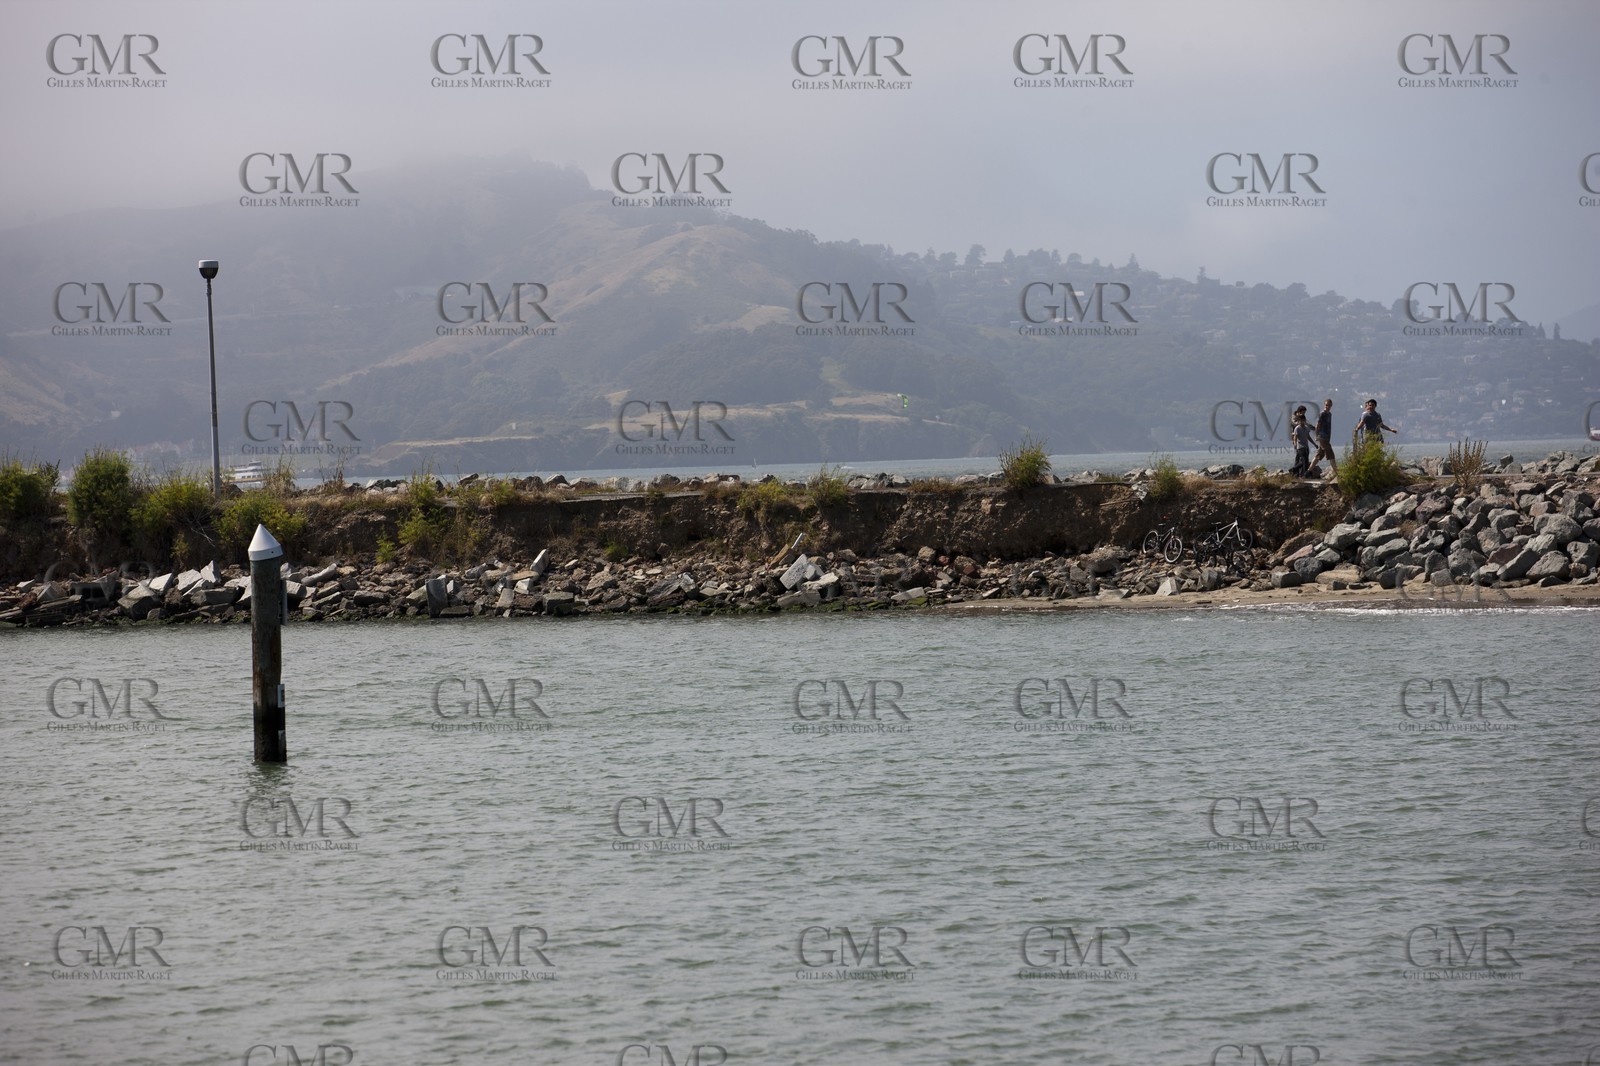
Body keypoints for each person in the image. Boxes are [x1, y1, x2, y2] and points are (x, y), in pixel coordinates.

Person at [1311, 398, 1338, 477]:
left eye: (1329, 405)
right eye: (1326, 405)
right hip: (1322, 437)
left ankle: (1308, 472)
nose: (1327, 406)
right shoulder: (1322, 413)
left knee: (1319, 455)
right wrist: (1317, 436)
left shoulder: (1329, 414)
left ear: (1331, 406)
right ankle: (1338, 473)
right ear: (1324, 405)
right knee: (1331, 454)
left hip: (1327, 438)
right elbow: (1317, 425)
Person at [1289, 406, 1313, 478]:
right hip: (1295, 438)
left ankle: (1299, 472)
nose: (1303, 414)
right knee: (1299, 457)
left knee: (1302, 458)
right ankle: (1297, 472)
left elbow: (1306, 424)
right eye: (1302, 412)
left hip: (1302, 439)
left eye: (1304, 413)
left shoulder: (1302, 417)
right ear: (1299, 411)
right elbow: (1296, 424)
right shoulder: (1294, 417)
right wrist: (1294, 442)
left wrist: (1314, 428)